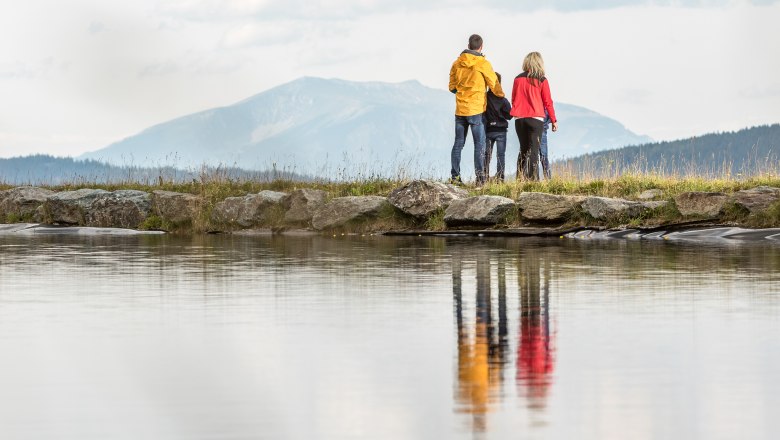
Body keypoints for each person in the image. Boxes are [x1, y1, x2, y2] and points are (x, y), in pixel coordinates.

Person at [449, 34, 504, 186]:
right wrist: (500, 96)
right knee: (479, 144)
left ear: (468, 44)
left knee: (458, 143)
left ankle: (455, 177)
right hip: (476, 109)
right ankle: (480, 180)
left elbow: (452, 87)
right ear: (481, 46)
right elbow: (494, 84)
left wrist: (462, 93)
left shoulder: (456, 63)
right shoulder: (483, 63)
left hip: (460, 109)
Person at [510, 52, 558, 181]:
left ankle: (519, 179)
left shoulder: (517, 79)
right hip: (535, 118)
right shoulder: (542, 79)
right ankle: (532, 181)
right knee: (534, 151)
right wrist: (553, 120)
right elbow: (548, 102)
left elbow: (513, 99)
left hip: (519, 119)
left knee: (523, 150)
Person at [483, 73, 513, 182]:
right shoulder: (503, 99)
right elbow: (509, 115)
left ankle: (484, 177)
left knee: (486, 155)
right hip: (501, 130)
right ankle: (500, 178)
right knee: (500, 155)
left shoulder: (484, 97)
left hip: (488, 131)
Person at [540, 110, 551, 179]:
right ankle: (548, 179)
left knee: (529, 155)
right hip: (542, 127)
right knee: (544, 155)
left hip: (532, 127)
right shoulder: (544, 101)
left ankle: (531, 179)